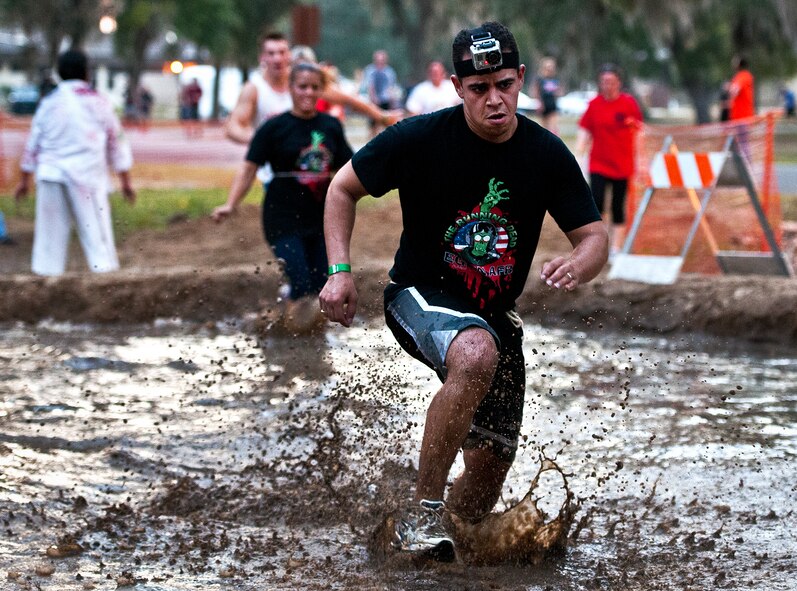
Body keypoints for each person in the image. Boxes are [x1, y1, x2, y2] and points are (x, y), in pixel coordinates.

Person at [319, 21, 607, 560]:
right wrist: (339, 270)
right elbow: (341, 188)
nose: (494, 100)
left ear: (521, 78)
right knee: (475, 353)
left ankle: (447, 540)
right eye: (479, 88)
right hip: (419, 292)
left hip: (497, 313)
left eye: (504, 85)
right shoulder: (417, 138)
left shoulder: (546, 153)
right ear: (457, 87)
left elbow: (594, 237)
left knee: (485, 480)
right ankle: (422, 516)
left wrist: (578, 263)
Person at [213, 62, 353, 326]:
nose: (308, 93)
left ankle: (303, 331)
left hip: (322, 218)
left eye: (314, 87)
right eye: (302, 86)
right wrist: (231, 204)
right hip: (282, 217)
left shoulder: (331, 126)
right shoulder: (273, 127)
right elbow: (249, 168)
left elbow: (350, 168)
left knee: (321, 284)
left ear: (321, 90)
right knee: (300, 281)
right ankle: (288, 332)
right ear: (291, 88)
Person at [13, 49, 135, 276]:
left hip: (50, 175)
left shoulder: (49, 102)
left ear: (60, 72)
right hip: (86, 178)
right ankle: (106, 283)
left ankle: (46, 289)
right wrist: (126, 181)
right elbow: (116, 142)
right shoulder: (98, 102)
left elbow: (33, 145)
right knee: (98, 242)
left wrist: (24, 181)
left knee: (48, 247)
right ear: (87, 72)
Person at [575, 63, 642, 257]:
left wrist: (640, 158)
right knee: (597, 204)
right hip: (599, 164)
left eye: (611, 81)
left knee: (617, 207)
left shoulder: (628, 103)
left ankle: (616, 248)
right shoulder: (594, 104)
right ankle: (599, 245)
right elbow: (585, 130)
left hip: (622, 164)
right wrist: (578, 154)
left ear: (619, 83)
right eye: (604, 82)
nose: (607, 85)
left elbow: (638, 132)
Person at [362, 50, 400, 136]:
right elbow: (369, 86)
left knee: (388, 124)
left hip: (386, 101)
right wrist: (373, 98)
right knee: (373, 125)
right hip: (373, 102)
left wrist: (392, 101)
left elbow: (391, 87)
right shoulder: (370, 70)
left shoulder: (389, 71)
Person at [534, 57, 562, 134]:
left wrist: (557, 93)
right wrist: (539, 103)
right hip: (543, 104)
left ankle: (554, 139)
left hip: (552, 104)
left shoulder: (555, 79)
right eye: (548, 66)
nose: (550, 68)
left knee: (554, 127)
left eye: (552, 66)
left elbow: (559, 91)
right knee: (544, 128)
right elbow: (536, 91)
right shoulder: (540, 79)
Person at [728, 56, 754, 121]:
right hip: (740, 116)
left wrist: (728, 87)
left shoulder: (743, 76)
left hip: (742, 117)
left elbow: (734, 90)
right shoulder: (744, 75)